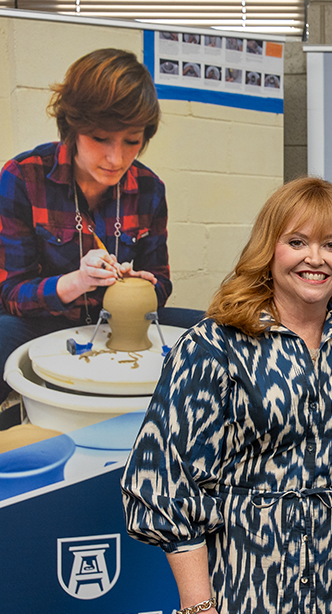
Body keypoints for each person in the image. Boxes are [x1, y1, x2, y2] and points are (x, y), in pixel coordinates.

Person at [121, 177, 332, 614]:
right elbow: (164, 482)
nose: (315, 258)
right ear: (268, 249)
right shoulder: (213, 344)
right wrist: (196, 610)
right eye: (297, 242)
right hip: (246, 593)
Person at [0, 48, 204, 408]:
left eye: (131, 141)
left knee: (219, 332)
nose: (116, 158)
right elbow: (11, 294)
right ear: (73, 127)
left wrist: (143, 285)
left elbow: (162, 281)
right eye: (100, 138)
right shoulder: (22, 177)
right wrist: (76, 282)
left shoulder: (150, 189)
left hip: (122, 325)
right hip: (44, 321)